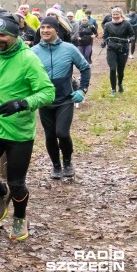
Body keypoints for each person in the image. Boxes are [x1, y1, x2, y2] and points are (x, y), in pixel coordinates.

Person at [0, 13, 54, 241]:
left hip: (18, 133)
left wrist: (23, 103)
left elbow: (48, 93)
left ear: (14, 35)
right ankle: (0, 192)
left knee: (17, 183)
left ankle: (20, 217)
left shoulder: (29, 59)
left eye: (2, 35)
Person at [32, 17, 91, 179]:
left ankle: (67, 162)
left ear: (56, 30)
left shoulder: (69, 49)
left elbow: (85, 68)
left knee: (62, 133)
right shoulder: (33, 52)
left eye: (48, 27)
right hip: (44, 100)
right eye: (42, 27)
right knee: (50, 135)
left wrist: (82, 90)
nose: (44, 30)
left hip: (65, 98)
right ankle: (56, 166)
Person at [101, 7, 135, 96]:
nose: (115, 16)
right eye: (114, 14)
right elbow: (105, 36)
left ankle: (120, 83)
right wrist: (103, 42)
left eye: (117, 14)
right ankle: (113, 90)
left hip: (123, 49)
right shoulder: (108, 25)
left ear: (121, 14)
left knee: (120, 70)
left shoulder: (127, 24)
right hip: (111, 49)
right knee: (112, 69)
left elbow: (132, 36)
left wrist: (129, 40)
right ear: (111, 15)